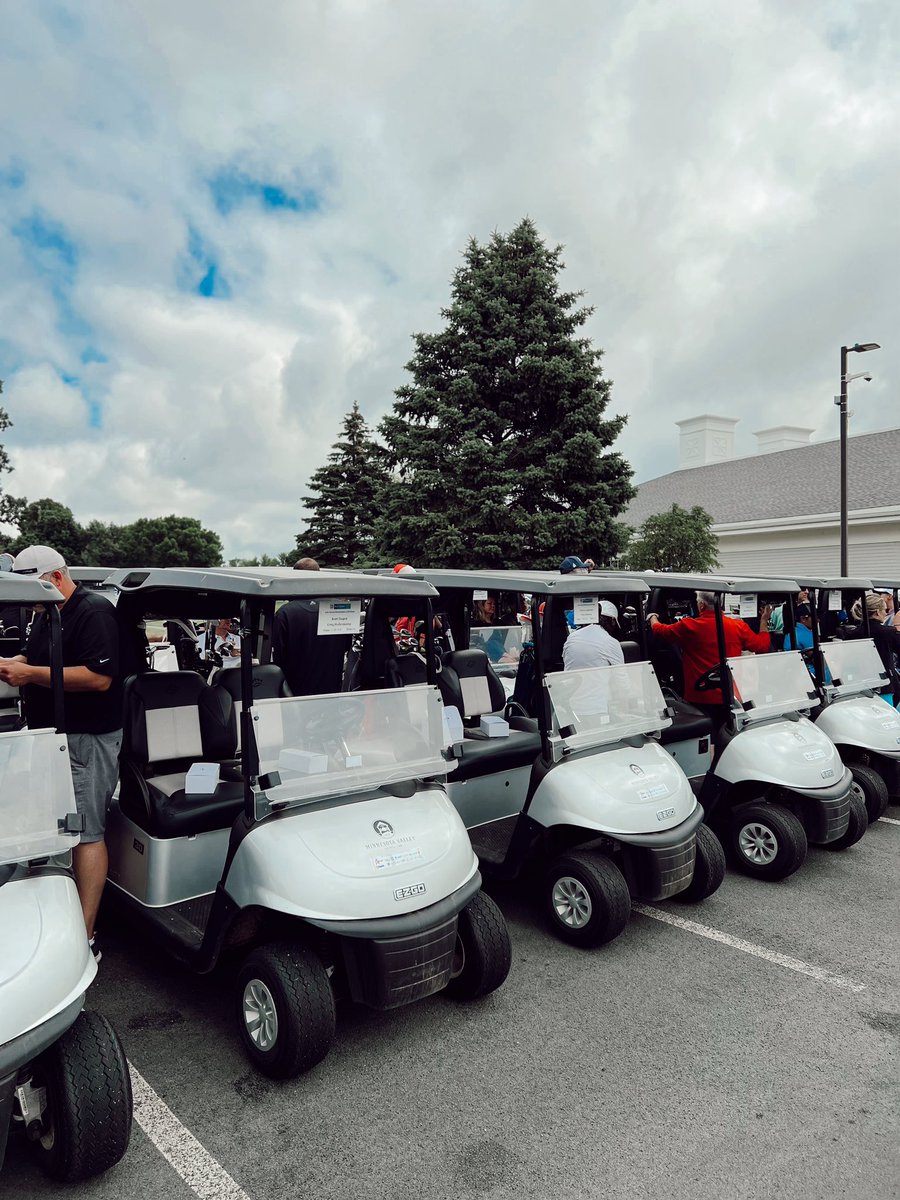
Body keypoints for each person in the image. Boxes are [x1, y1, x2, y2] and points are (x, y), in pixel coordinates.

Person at [0, 546, 122, 959]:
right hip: (53, 736)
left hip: (86, 737)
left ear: (54, 578)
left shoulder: (94, 611)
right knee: (57, 823)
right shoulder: (47, 611)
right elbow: (42, 658)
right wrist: (15, 662)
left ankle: (85, 936)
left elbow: (100, 677)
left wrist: (29, 673)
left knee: (86, 832)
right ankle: (48, 910)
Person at [647, 590, 772, 722]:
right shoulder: (738, 626)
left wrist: (652, 617)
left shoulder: (689, 626)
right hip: (730, 696)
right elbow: (762, 646)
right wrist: (763, 621)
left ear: (701, 605)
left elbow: (659, 631)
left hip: (699, 698)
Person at [272, 556, 351, 696]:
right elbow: (346, 647)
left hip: (295, 695)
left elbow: (278, 658)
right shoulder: (340, 609)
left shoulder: (285, 613)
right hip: (332, 693)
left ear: (295, 578)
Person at [563, 601, 625, 670]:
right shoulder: (611, 642)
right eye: (614, 622)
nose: (614, 626)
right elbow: (621, 676)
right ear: (611, 620)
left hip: (571, 680)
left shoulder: (571, 637)